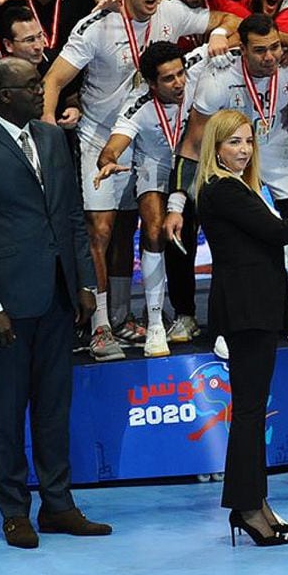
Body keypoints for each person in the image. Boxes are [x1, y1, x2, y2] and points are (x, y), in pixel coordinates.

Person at [0, 57, 110, 549]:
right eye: (32, 86)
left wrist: (85, 284)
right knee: (9, 413)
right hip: (8, 307)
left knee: (55, 409)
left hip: (59, 296)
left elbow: (72, 216)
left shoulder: (54, 138)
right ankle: (14, 511)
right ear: (3, 96)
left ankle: (58, 505)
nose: (43, 92)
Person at [42, 0, 233, 360]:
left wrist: (216, 33)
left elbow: (228, 21)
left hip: (149, 138)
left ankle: (124, 316)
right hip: (101, 135)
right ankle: (99, 327)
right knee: (101, 231)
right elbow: (54, 80)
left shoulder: (172, 11)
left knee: (138, 229)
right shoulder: (96, 25)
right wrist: (45, 133)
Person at [195, 108, 288, 546]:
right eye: (234, 141)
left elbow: (275, 239)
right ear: (215, 146)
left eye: (248, 141)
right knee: (251, 412)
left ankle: (256, 503)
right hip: (247, 311)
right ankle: (248, 508)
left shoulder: (237, 188)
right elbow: (279, 233)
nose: (243, 149)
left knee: (253, 411)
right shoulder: (222, 190)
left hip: (254, 308)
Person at [187, 13, 288, 350]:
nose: (270, 56)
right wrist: (185, 193)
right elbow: (196, 138)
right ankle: (224, 325)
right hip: (232, 149)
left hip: (276, 144)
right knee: (234, 241)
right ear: (241, 49)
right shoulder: (218, 78)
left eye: (274, 47)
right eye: (260, 51)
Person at [94, 41, 209, 357]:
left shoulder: (195, 63)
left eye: (180, 74)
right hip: (155, 168)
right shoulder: (138, 105)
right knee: (156, 230)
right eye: (169, 79)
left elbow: (235, 32)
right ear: (151, 83)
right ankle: (156, 324)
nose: (179, 83)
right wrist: (107, 160)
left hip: (196, 160)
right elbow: (114, 145)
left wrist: (221, 34)